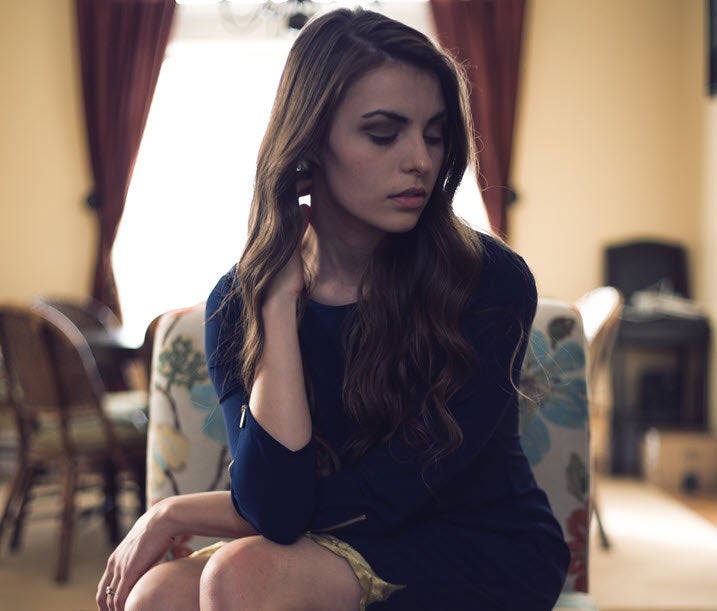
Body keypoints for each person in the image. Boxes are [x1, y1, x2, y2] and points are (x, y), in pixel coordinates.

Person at [97, 8, 569, 611]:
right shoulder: (236, 306)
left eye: (434, 132)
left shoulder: (488, 281)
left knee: (241, 576)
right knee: (156, 597)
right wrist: (274, 302)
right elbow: (277, 507)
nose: (421, 160)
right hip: (333, 538)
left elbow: (393, 493)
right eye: (383, 133)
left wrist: (175, 511)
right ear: (310, 143)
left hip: (480, 545)